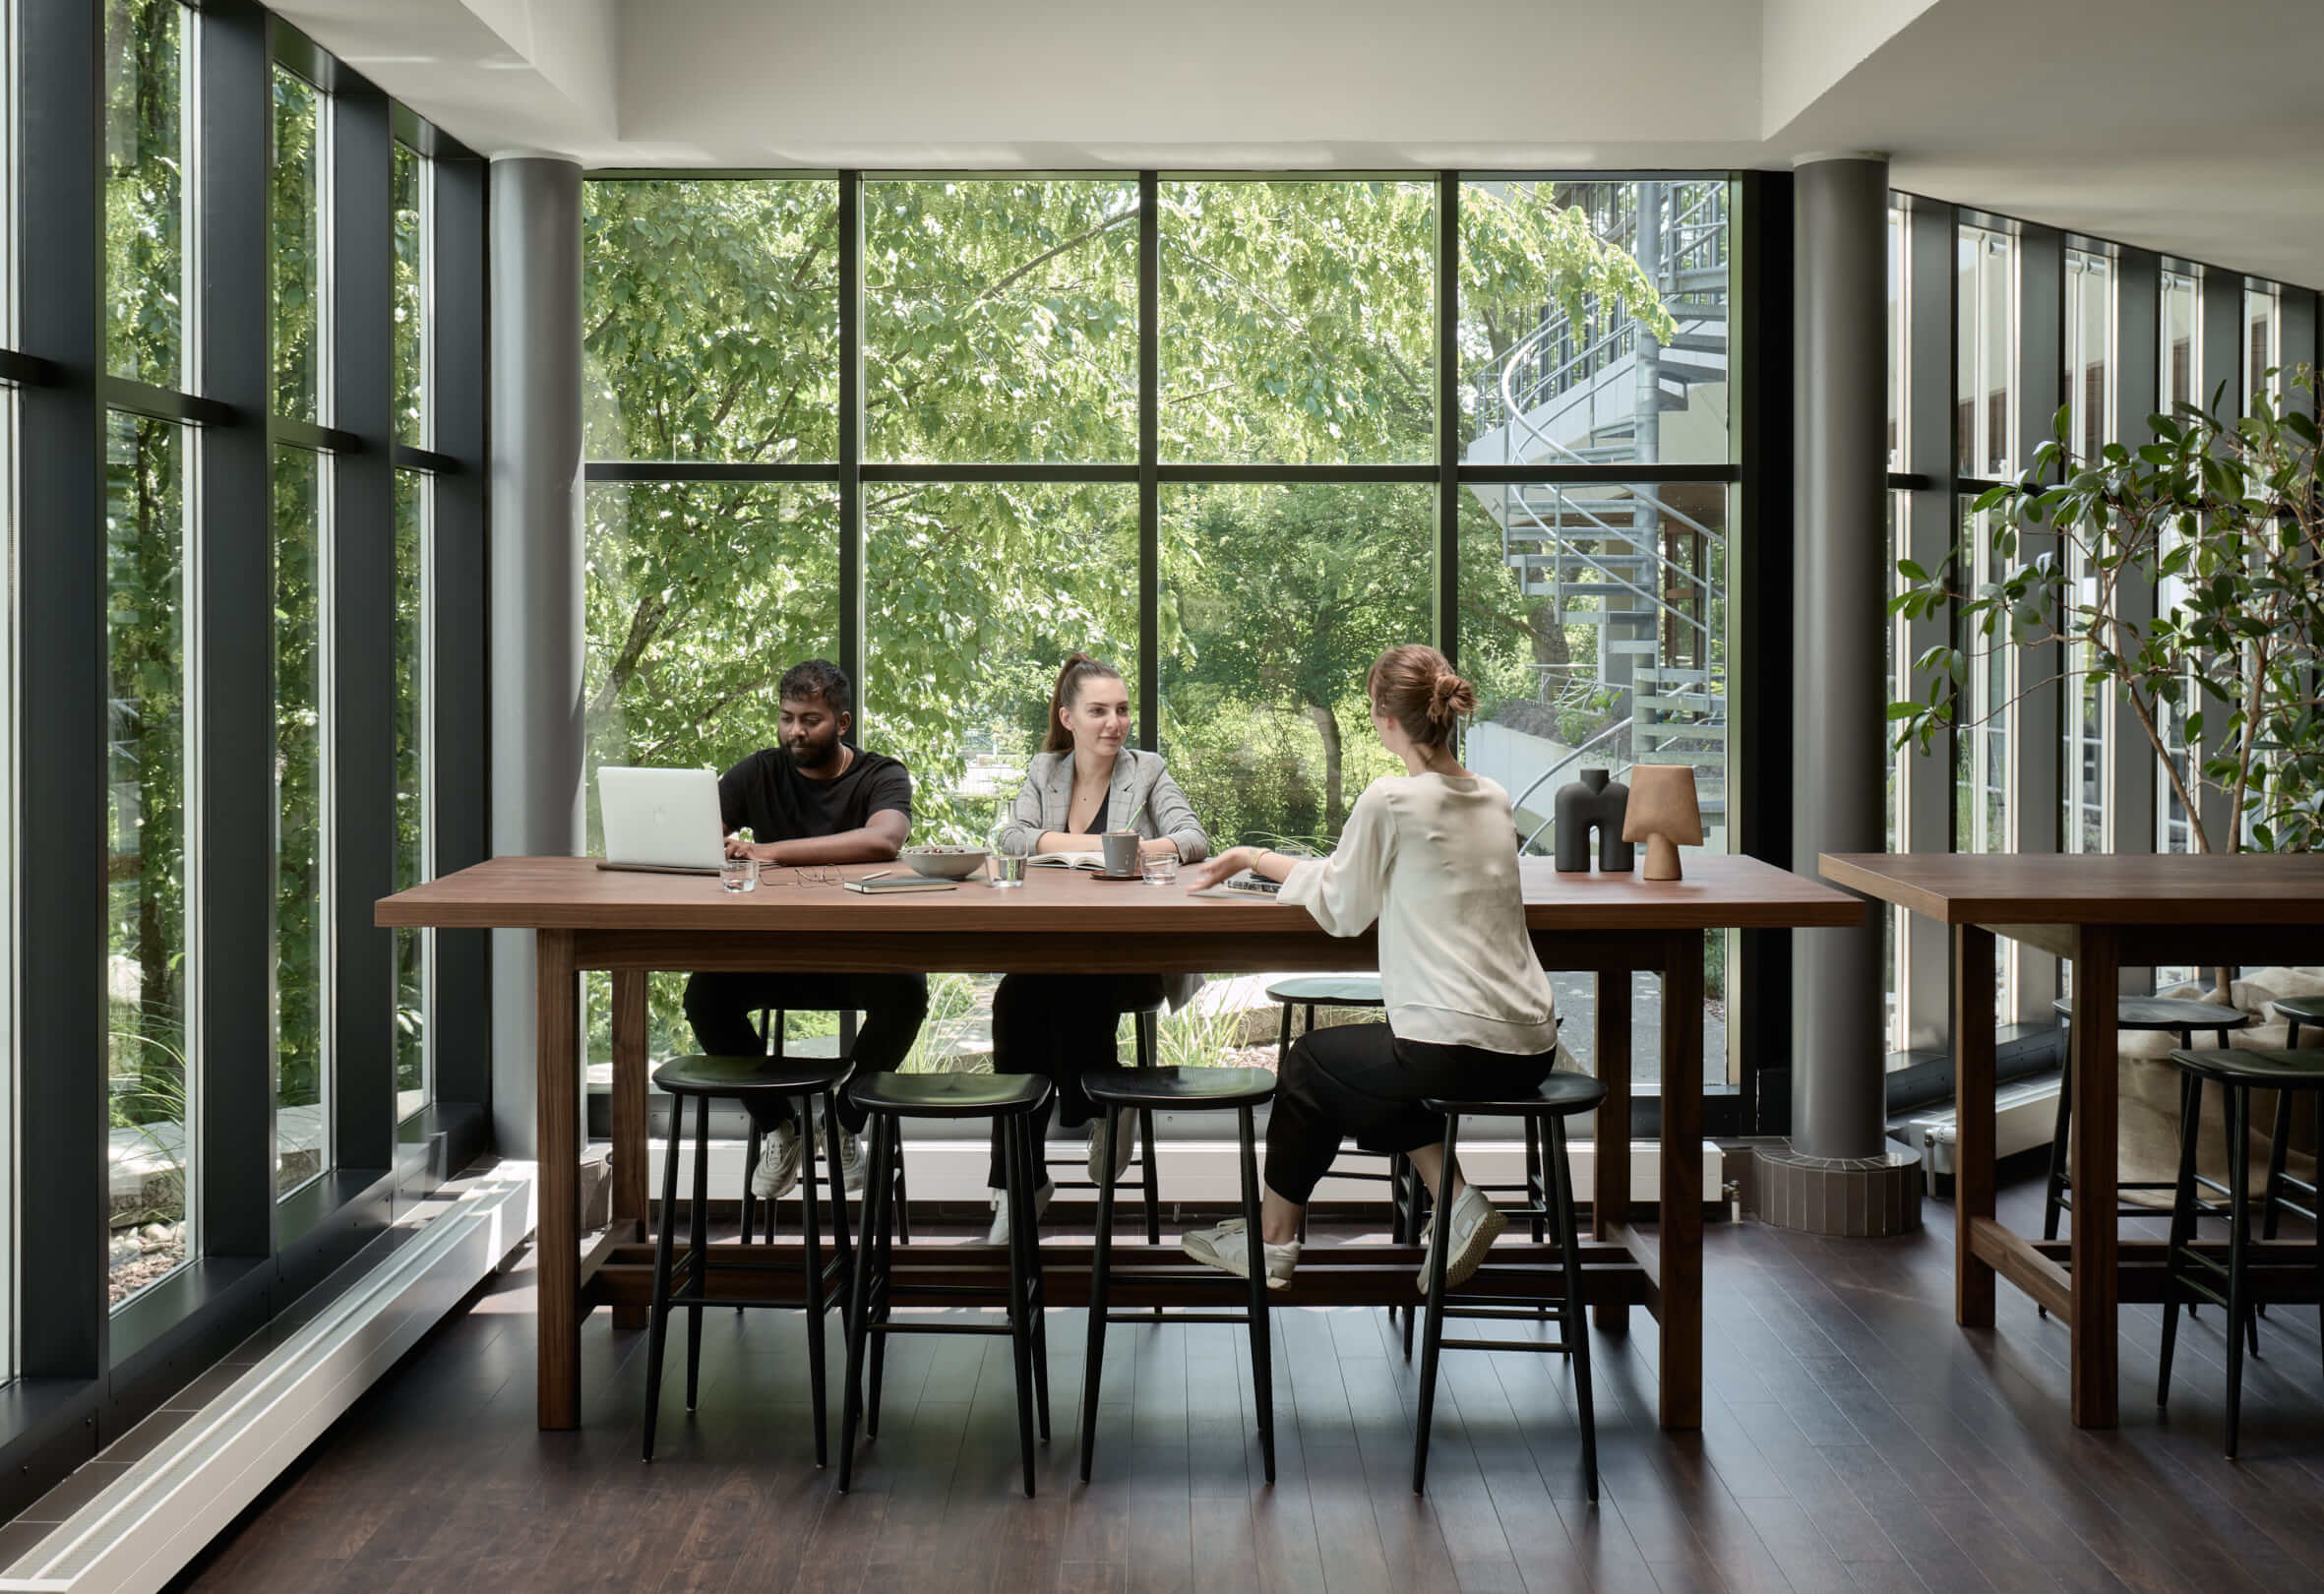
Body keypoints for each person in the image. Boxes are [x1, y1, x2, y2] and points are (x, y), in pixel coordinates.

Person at [1178, 644, 1559, 1292]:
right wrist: (1255, 857)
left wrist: (1249, 857)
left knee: (1308, 1066)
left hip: (1455, 1048)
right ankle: (1454, 1200)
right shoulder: (1493, 798)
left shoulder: (1391, 799)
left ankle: (1272, 1241)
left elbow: (1341, 906)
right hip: (1531, 1047)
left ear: (1384, 718)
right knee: (1366, 1079)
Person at [682, 659, 929, 1200]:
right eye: (787, 717)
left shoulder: (880, 773)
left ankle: (845, 1120)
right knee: (705, 996)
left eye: (810, 720)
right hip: (774, 953)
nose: (795, 730)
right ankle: (778, 1126)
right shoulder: (758, 770)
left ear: (842, 722)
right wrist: (706, 843)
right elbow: (697, 834)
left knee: (907, 991)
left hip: (857, 956)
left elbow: (883, 841)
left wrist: (769, 851)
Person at [985, 652, 1210, 1243]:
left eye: (1122, 710)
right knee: (1015, 1003)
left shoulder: (1149, 770)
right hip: (1054, 948)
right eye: (1099, 711)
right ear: (1069, 717)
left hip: (1131, 957)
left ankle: (1093, 1115)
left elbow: (1192, 839)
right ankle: (1056, 1147)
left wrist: (1127, 850)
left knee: (1060, 994)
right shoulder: (1045, 771)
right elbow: (1010, 836)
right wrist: (1082, 849)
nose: (1114, 723)